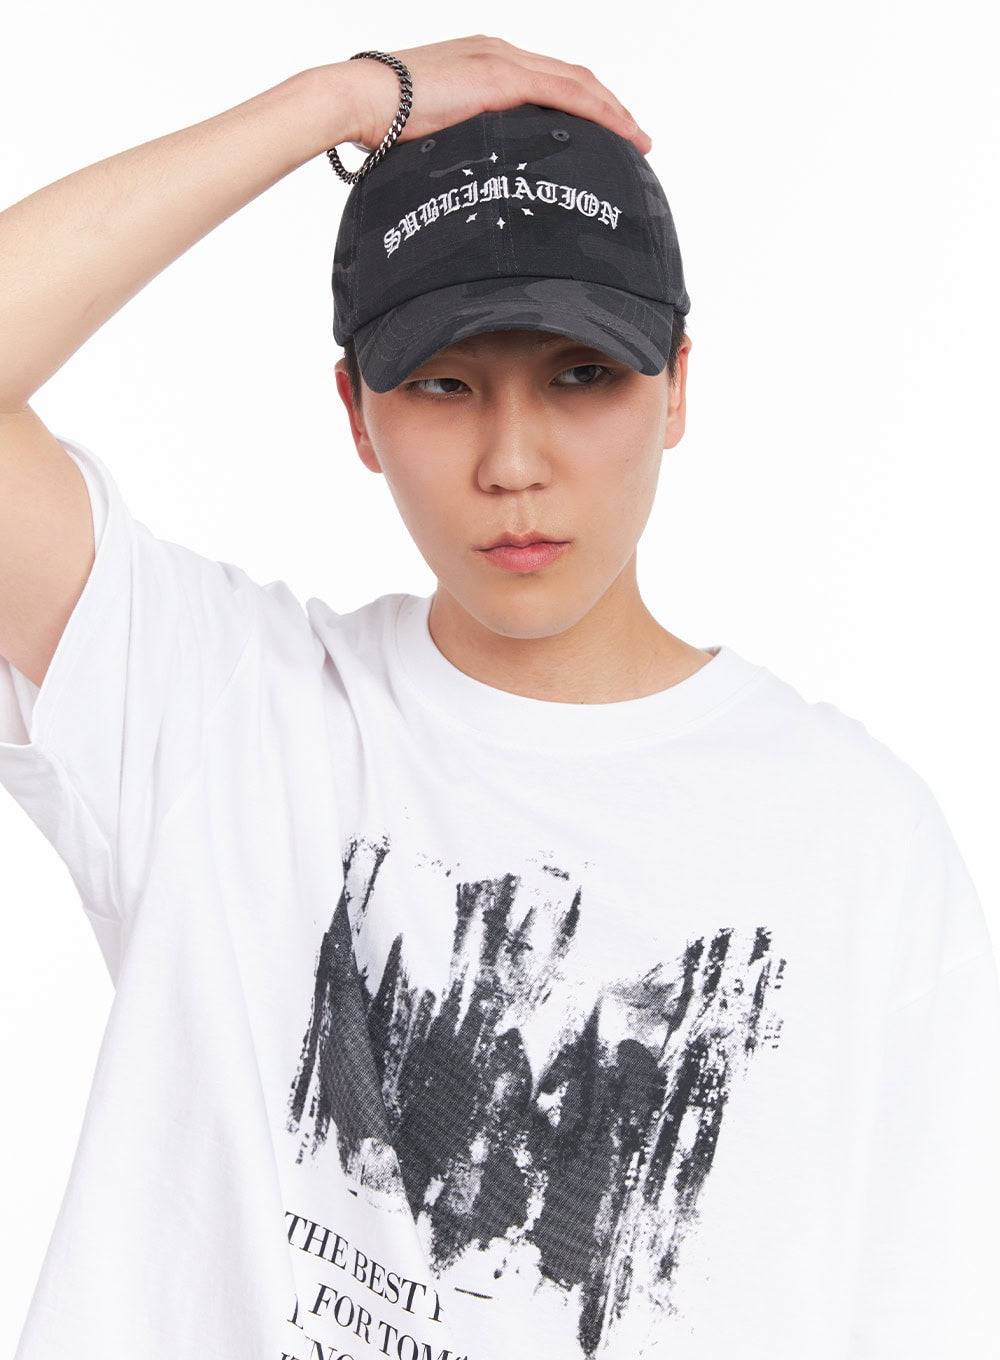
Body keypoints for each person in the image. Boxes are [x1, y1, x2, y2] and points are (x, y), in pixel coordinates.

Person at [0, 33, 997, 1360]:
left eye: (581, 375)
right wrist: (336, 102)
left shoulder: (858, 843)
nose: (512, 462)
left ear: (677, 387)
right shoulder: (222, 714)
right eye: (445, 384)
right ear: (357, 413)